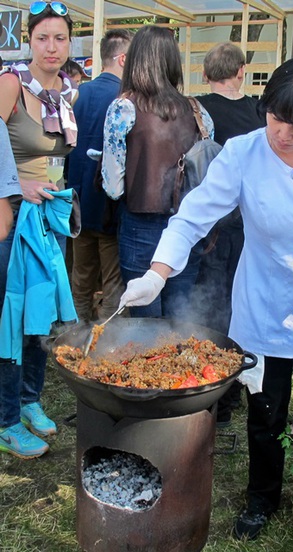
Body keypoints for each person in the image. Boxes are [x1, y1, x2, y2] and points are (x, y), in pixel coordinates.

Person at [117, 56, 293, 540]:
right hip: (265, 305)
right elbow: (193, 216)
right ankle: (263, 497)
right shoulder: (242, 154)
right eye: (276, 117)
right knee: (265, 409)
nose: (282, 133)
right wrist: (158, 271)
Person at [0, 0, 77, 458]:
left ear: (71, 43)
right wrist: (12, 188)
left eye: (61, 38)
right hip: (12, 220)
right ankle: (6, 418)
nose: (52, 46)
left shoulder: (70, 91)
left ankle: (29, 399)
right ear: (29, 40)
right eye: (43, 37)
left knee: (40, 317)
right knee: (10, 319)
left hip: (50, 221)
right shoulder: (10, 83)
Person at [101, 25, 213, 319]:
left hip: (141, 227)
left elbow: (113, 186)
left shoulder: (123, 107)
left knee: (144, 324)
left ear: (136, 58)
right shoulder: (198, 110)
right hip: (189, 228)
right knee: (182, 319)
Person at [194, 42, 266, 427]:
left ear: (206, 73)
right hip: (246, 226)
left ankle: (210, 390)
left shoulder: (197, 110)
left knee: (209, 304)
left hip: (207, 224)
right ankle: (232, 388)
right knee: (240, 305)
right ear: (241, 71)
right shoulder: (259, 114)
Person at [67, 29, 132, 323]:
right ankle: (104, 344)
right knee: (113, 284)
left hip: (77, 204)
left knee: (80, 278)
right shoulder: (126, 100)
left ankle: (75, 337)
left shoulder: (77, 94)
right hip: (110, 209)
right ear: (123, 58)